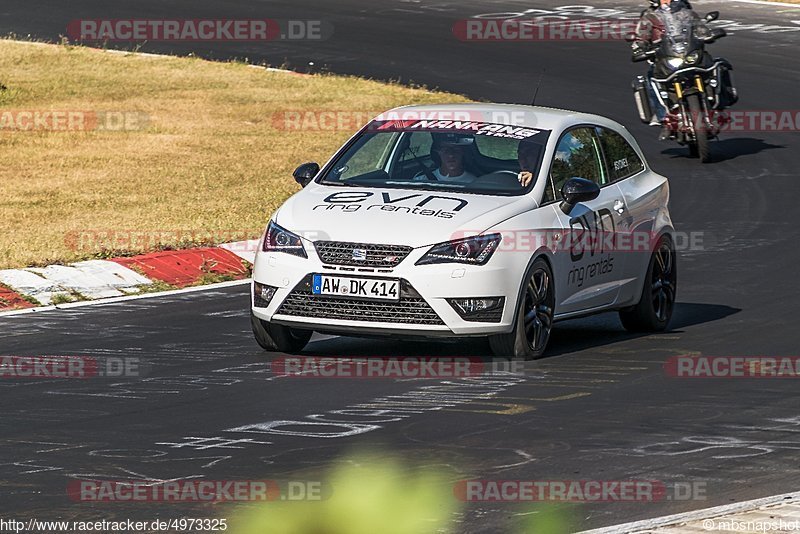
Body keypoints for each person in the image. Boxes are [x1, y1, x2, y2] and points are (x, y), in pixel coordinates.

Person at [632, 0, 700, 136]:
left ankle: (716, 99)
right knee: (651, 80)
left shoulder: (685, 9)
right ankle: (664, 119)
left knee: (715, 64)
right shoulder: (649, 15)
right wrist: (640, 47)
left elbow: (698, 26)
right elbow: (641, 36)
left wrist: (706, 34)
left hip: (688, 53)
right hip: (664, 58)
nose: (667, 1)